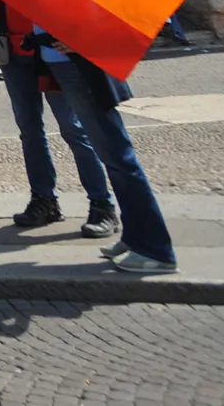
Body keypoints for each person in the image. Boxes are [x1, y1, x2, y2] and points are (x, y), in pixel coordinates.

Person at [31, 24, 175, 273]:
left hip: (79, 63)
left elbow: (113, 9)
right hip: (64, 63)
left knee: (118, 156)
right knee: (112, 157)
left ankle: (156, 250)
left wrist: (86, 37)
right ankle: (135, 237)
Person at [0, 1, 118, 241]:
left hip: (51, 49)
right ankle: (44, 201)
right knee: (29, 130)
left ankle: (102, 205)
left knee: (73, 129)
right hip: (12, 52)